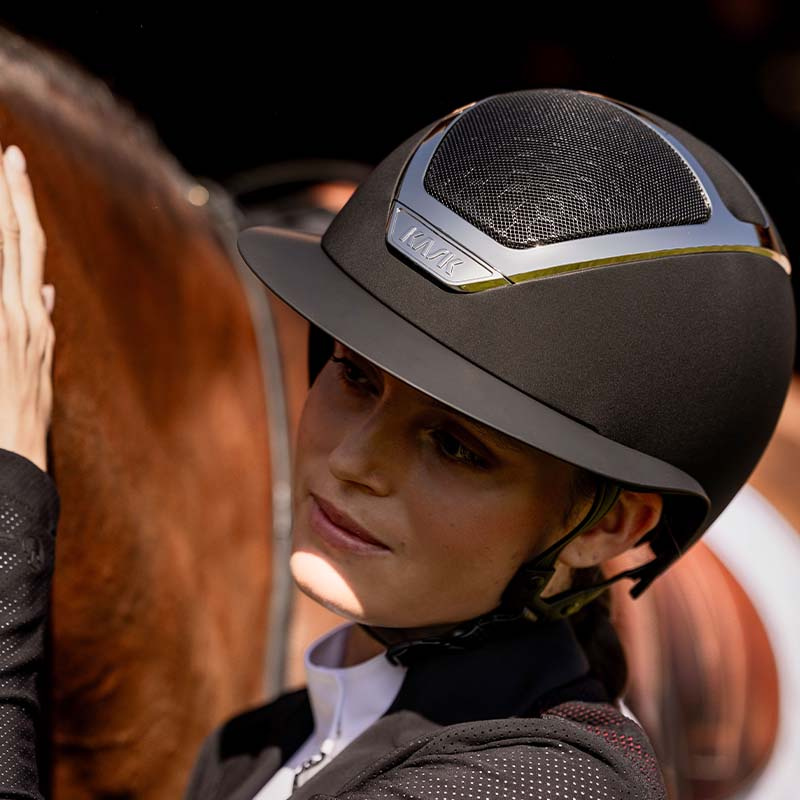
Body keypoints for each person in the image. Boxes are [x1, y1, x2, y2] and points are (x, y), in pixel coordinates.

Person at [0, 87, 795, 800]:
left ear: (609, 528)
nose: (353, 462)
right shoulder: (260, 747)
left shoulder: (535, 786)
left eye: (455, 447)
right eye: (354, 377)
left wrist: (12, 520)